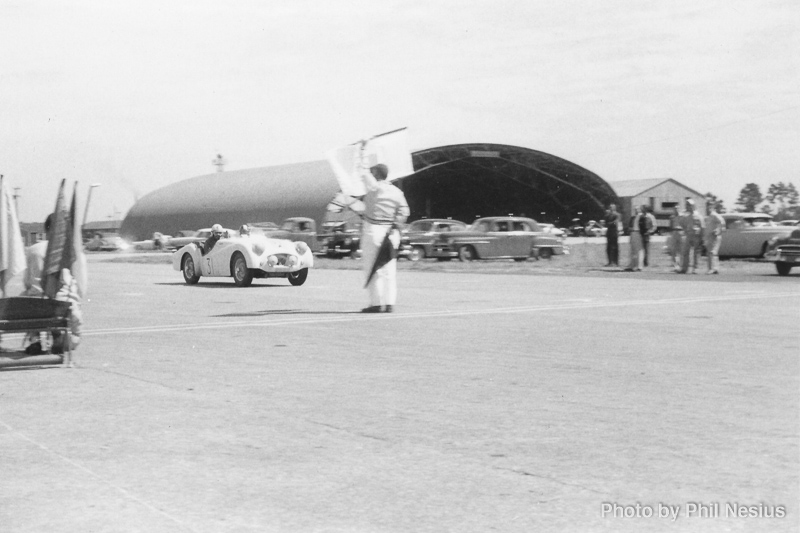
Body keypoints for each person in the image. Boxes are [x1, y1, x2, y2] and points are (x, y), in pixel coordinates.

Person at [358, 144, 410, 313]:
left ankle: (375, 303)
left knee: (373, 267)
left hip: (374, 229)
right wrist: (396, 222)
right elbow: (405, 211)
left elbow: (362, 170)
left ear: (376, 174)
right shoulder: (397, 192)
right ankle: (389, 303)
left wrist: (362, 151)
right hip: (391, 231)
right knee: (389, 268)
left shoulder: (374, 188)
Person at [679, 199, 705, 274]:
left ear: (693, 206)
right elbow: (682, 224)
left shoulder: (698, 216)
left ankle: (695, 269)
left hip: (696, 236)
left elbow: (702, 227)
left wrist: (702, 237)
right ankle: (684, 268)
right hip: (688, 235)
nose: (688, 206)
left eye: (689, 205)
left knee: (696, 253)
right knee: (685, 252)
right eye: (687, 205)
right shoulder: (686, 216)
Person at [704, 203, 725, 274]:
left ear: (712, 207)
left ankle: (712, 269)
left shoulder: (715, 215)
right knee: (711, 252)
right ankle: (714, 268)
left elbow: (722, 223)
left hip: (715, 236)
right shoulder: (708, 216)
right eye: (707, 207)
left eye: (709, 207)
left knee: (712, 252)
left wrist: (718, 231)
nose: (707, 208)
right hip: (709, 237)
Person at [625, 206, 643, 271]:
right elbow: (629, 226)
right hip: (632, 233)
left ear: (640, 210)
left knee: (639, 250)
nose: (636, 210)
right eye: (635, 209)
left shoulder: (641, 217)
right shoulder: (633, 217)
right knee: (632, 250)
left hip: (638, 233)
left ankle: (639, 266)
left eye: (637, 209)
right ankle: (632, 265)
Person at [667, 206, 683, 271]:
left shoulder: (682, 216)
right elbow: (670, 226)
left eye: (677, 209)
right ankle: (675, 265)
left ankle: (680, 265)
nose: (676, 210)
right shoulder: (672, 217)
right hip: (674, 232)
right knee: (673, 250)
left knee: (681, 250)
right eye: (675, 209)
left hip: (680, 232)